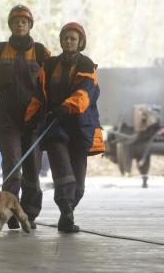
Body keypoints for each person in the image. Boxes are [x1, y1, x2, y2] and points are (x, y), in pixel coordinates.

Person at [0, 5, 50, 229]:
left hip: (35, 121)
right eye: (16, 21)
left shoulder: (41, 52)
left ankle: (29, 214)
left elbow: (51, 85)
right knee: (13, 168)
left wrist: (54, 113)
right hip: (7, 122)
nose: (20, 25)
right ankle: (8, 213)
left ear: (30, 25)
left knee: (33, 172)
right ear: (11, 25)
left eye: (24, 22)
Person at [28, 22, 105, 233]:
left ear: (80, 42)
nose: (68, 41)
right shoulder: (50, 65)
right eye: (65, 38)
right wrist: (30, 119)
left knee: (78, 183)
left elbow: (86, 94)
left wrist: (65, 107)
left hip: (80, 128)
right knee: (63, 174)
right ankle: (66, 213)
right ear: (61, 41)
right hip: (55, 128)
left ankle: (68, 211)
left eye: (72, 38)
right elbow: (38, 95)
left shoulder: (87, 65)